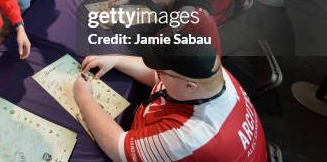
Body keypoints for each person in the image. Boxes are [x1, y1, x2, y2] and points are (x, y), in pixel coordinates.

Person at [73, 39, 267, 161]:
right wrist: (116, 60)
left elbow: (118, 148)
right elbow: (157, 77)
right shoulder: (212, 76)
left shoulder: (189, 137)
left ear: (190, 86)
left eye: (162, 71)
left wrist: (84, 99)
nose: (158, 74)